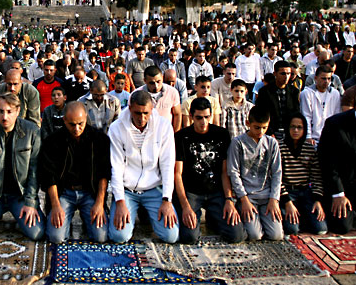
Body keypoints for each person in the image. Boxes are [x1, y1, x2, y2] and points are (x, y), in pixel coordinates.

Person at [0, 92, 45, 241]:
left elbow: (35, 171)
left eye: (9, 112)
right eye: (1, 111)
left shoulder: (31, 132)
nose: (4, 117)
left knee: (37, 233)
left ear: (18, 111)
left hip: (20, 195)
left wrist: (30, 202)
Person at [108, 90, 179, 244]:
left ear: (152, 109)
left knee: (171, 236)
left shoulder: (163, 126)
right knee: (119, 236)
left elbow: (167, 165)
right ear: (129, 108)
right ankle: (135, 209)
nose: (142, 118)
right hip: (128, 190)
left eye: (146, 113)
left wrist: (167, 199)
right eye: (137, 113)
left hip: (154, 188)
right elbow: (116, 167)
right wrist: (120, 201)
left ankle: (145, 211)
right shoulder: (116, 128)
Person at [174, 97, 244, 243]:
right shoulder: (181, 137)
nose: (203, 122)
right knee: (189, 237)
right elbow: (177, 174)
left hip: (216, 191)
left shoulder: (221, 134)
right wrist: (185, 206)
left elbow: (225, 171)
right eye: (199, 118)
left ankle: (214, 218)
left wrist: (229, 199)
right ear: (191, 116)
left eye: (206, 117)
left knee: (236, 235)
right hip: (192, 192)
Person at [39, 102, 111, 243]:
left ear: (86, 118)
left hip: (89, 192)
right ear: (64, 120)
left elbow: (104, 174)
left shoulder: (99, 139)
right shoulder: (52, 141)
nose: (77, 129)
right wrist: (55, 205)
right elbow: (49, 177)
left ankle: (86, 219)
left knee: (101, 237)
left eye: (80, 124)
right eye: (72, 124)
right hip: (64, 193)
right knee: (56, 237)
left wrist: (100, 203)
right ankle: (67, 221)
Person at [227, 106, 283, 241]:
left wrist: (274, 199)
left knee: (276, 235)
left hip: (267, 195)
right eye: (257, 128)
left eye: (264, 128)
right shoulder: (238, 143)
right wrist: (243, 199)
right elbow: (233, 172)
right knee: (255, 235)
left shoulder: (272, 143)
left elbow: (277, 172)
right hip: (247, 195)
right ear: (248, 123)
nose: (260, 131)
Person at [279, 113, 327, 235]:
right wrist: (287, 201)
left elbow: (316, 177)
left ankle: (305, 217)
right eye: (292, 127)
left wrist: (317, 200)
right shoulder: (280, 147)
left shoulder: (309, 149)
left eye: (299, 127)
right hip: (288, 192)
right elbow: (277, 178)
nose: (296, 130)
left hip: (306, 192)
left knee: (321, 229)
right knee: (292, 230)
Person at [318, 109, 356, 234]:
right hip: (341, 188)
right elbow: (327, 163)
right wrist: (338, 193)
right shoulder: (335, 124)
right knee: (342, 226)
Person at [255, 60, 300, 141]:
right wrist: (269, 132)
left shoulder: (294, 91)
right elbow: (261, 113)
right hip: (271, 132)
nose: (286, 76)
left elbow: (296, 112)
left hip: (289, 132)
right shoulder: (265, 91)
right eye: (283, 73)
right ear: (275, 73)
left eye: (288, 73)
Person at [300, 65, 341, 147]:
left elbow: (337, 116)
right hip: (313, 138)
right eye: (323, 78)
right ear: (316, 78)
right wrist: (308, 136)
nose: (326, 81)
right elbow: (306, 116)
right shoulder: (306, 93)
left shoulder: (335, 93)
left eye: (329, 79)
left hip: (330, 137)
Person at [134, 66, 181, 132]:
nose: (156, 86)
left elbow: (177, 114)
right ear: (145, 81)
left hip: (166, 133)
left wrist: (175, 134)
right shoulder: (136, 94)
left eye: (158, 81)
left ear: (162, 78)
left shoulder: (172, 92)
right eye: (152, 83)